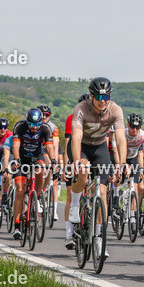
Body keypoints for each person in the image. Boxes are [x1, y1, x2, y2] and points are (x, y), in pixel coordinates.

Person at [67, 77, 126, 253]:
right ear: (91, 96)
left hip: (100, 147)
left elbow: (121, 138)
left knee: (101, 192)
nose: (102, 101)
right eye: (99, 97)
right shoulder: (81, 109)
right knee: (83, 171)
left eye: (106, 97)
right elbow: (76, 137)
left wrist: (121, 164)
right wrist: (76, 161)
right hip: (82, 147)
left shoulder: (115, 110)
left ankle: (99, 238)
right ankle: (75, 205)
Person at [7, 108, 55, 238]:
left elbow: (50, 147)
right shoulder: (20, 126)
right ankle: (17, 226)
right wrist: (17, 160)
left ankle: (37, 196)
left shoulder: (45, 128)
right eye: (32, 125)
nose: (35, 128)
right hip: (21, 158)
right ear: (27, 121)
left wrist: (54, 160)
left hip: (37, 155)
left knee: (42, 169)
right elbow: (16, 146)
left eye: (37, 125)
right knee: (20, 191)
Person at [62, 93, 92, 233]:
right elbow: (69, 142)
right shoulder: (72, 118)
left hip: (91, 153)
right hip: (75, 152)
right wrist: (67, 165)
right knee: (70, 194)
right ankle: (69, 233)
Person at [39, 104, 61, 220]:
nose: (44, 117)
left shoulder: (53, 127)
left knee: (52, 175)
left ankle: (54, 210)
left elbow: (55, 146)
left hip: (48, 149)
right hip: (36, 149)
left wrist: (55, 162)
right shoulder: (34, 124)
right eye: (42, 114)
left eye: (46, 115)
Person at [124, 113, 144, 207]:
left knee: (135, 187)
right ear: (128, 125)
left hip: (133, 158)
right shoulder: (122, 133)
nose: (134, 130)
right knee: (116, 179)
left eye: (137, 127)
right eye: (132, 127)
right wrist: (122, 164)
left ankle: (132, 214)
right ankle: (115, 198)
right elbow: (116, 150)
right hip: (121, 157)